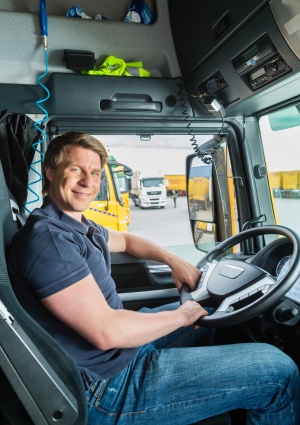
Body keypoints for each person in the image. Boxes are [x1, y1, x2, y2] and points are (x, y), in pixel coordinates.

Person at [8, 131, 300, 425]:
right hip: (104, 387)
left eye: (94, 172)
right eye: (76, 170)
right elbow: (107, 332)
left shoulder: (75, 225)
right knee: (280, 371)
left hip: (120, 354)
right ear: (49, 171)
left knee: (209, 313)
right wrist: (183, 315)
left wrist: (172, 260)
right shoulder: (50, 240)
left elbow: (125, 240)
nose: (88, 182)